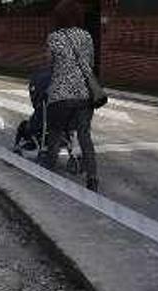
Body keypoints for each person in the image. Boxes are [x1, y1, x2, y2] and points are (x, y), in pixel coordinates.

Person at [40, 0, 99, 191]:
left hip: (61, 95)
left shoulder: (54, 38)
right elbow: (90, 63)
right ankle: (92, 178)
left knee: (55, 133)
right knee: (84, 136)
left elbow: (48, 64)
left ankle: (48, 167)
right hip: (84, 95)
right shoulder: (87, 37)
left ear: (59, 17)